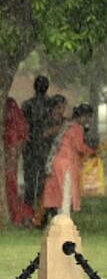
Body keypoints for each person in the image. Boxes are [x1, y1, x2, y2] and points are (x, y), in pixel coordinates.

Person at [41, 104, 97, 221]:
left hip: (56, 162)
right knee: (66, 193)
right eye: (87, 118)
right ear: (82, 116)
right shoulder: (77, 128)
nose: (87, 121)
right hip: (66, 163)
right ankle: (65, 220)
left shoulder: (67, 125)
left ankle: (57, 219)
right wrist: (92, 152)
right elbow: (79, 147)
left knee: (58, 192)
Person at [21, 75, 51, 208]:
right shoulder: (52, 105)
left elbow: (23, 126)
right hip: (46, 148)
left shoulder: (27, 105)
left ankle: (28, 208)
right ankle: (42, 208)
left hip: (30, 147)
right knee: (45, 180)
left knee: (30, 180)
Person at [3, 97, 34, 226]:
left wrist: (12, 156)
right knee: (10, 186)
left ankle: (17, 215)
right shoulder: (16, 121)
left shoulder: (11, 123)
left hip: (9, 158)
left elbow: (17, 141)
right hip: (10, 158)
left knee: (10, 186)